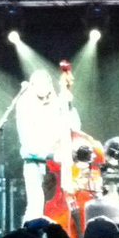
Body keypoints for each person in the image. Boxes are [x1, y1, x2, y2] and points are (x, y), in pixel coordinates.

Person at [16, 69, 80, 223]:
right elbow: (26, 142)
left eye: (46, 84)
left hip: (58, 164)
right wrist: (50, 155)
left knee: (63, 203)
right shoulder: (24, 104)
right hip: (35, 162)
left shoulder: (59, 102)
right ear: (32, 86)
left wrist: (69, 105)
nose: (43, 88)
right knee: (35, 206)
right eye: (38, 84)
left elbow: (75, 128)